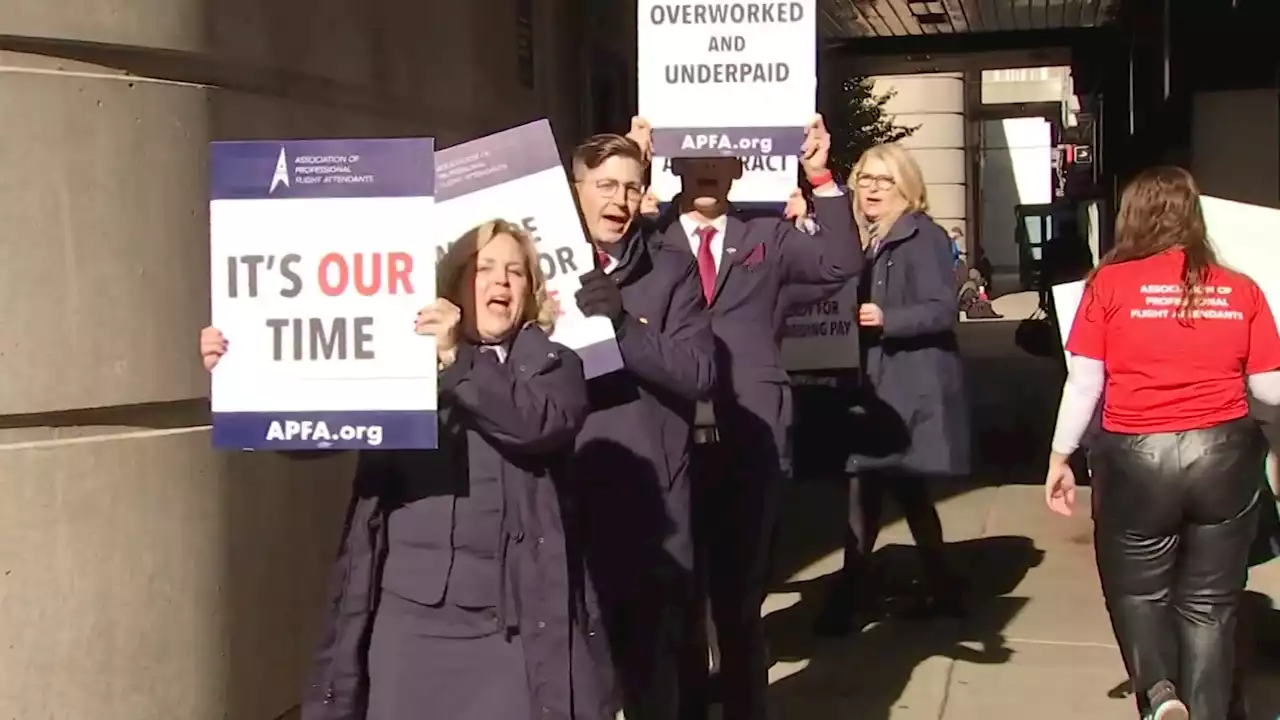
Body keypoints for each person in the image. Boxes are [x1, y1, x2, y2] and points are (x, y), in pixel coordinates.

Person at [201, 220, 605, 720]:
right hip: (408, 630)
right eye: (484, 269)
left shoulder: (555, 367)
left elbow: (535, 425)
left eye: (515, 272)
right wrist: (243, 371)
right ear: (453, 285)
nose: (501, 281)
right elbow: (310, 435)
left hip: (510, 632)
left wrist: (457, 362)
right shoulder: (395, 362)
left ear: (530, 291)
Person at [1044, 166, 1280, 720]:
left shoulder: (1110, 285)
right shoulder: (1239, 288)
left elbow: (1085, 382)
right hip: (1223, 455)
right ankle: (1207, 708)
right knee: (1210, 606)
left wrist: (1060, 455)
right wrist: (1267, 437)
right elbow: (1269, 387)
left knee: (1138, 592)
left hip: (1136, 457)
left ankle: (1159, 693)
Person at [663, 114, 863, 720]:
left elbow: (839, 264)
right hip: (667, 437)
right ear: (673, 164)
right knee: (678, 598)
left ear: (738, 166)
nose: (705, 168)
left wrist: (821, 175)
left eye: (718, 158)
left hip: (749, 435)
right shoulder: (651, 236)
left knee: (740, 603)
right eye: (692, 157)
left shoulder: (765, 236)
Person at [568, 124, 717, 720]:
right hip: (564, 495)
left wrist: (625, 326)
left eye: (632, 188)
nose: (620, 202)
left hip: (649, 503)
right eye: (605, 185)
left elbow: (699, 373)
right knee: (581, 670)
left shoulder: (671, 270)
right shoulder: (530, 266)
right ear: (576, 190)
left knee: (653, 666)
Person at [814, 143, 970, 636]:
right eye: (864, 179)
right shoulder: (870, 238)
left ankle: (851, 599)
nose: (872, 189)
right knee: (895, 490)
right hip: (880, 386)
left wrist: (889, 319)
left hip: (907, 388)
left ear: (906, 187)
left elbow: (942, 309)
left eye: (884, 180)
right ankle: (938, 590)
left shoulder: (922, 238)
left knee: (873, 487)